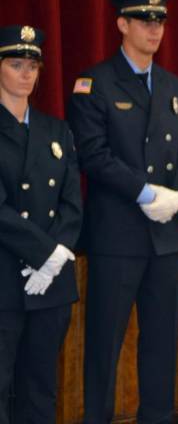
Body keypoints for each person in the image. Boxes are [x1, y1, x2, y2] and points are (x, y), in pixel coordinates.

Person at [66, 0, 178, 422]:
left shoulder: (172, 85)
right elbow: (93, 154)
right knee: (105, 344)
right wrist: (146, 193)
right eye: (144, 19)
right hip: (118, 235)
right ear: (122, 24)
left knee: (161, 344)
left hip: (165, 237)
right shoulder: (95, 83)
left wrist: (177, 195)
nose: (154, 28)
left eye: (159, 19)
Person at [0, 25, 82, 423]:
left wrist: (55, 259)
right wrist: (43, 252)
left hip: (51, 283)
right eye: (16, 64)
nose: (26, 74)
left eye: (32, 65)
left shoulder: (56, 129)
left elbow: (72, 202)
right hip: (5, 279)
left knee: (40, 388)